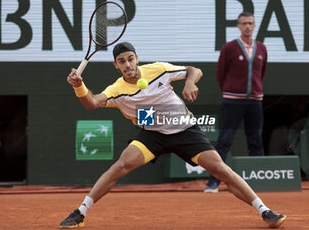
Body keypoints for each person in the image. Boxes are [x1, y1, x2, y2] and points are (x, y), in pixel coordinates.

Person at [59, 42, 286, 228]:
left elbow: (194, 70)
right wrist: (79, 86)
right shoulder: (116, 89)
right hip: (152, 135)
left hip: (184, 129)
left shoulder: (158, 69)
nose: (127, 64)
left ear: (136, 58)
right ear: (115, 65)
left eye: (130, 58)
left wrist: (188, 83)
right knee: (120, 166)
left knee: (221, 169)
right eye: (121, 61)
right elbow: (92, 103)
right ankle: (80, 212)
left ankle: (264, 211)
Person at [205, 12, 268, 193]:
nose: (247, 26)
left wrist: (254, 91)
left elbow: (261, 74)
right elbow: (220, 74)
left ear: (254, 26)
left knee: (255, 141)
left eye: (250, 23)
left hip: (255, 101)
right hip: (232, 101)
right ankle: (213, 183)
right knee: (224, 141)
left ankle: (259, 183)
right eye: (244, 23)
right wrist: (230, 90)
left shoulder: (262, 48)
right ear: (238, 26)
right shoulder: (229, 48)